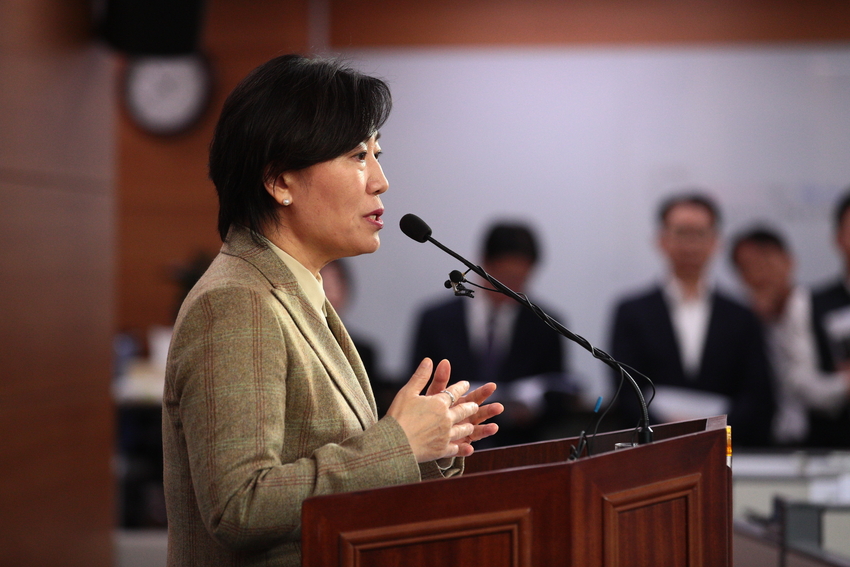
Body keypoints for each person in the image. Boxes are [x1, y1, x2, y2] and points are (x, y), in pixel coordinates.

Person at [161, 54, 504, 567]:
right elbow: (240, 506)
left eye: (377, 154)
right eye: (357, 155)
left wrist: (431, 446)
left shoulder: (296, 290)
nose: (381, 180)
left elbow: (331, 466)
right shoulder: (236, 301)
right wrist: (398, 444)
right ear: (279, 181)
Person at [608, 192, 774, 446]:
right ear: (662, 240)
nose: (690, 244)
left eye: (699, 234)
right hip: (650, 449)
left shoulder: (742, 316)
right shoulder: (631, 312)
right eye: (681, 233)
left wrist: (716, 431)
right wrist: (663, 430)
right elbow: (625, 391)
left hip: (723, 448)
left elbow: (757, 393)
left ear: (715, 242)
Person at [409, 222, 569, 447]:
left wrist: (533, 409)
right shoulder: (436, 320)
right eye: (504, 278)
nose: (510, 289)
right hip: (447, 442)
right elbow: (416, 386)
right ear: (483, 265)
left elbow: (557, 390)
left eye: (520, 280)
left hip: (518, 445)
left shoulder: (546, 323)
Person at [731, 226, 850, 445]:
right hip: (767, 444)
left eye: (766, 263)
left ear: (789, 261)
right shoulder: (743, 325)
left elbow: (806, 384)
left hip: (828, 441)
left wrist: (841, 385)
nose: (760, 275)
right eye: (747, 268)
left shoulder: (822, 309)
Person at [809, 188, 850, 447]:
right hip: (830, 447)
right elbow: (802, 385)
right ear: (838, 237)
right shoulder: (810, 303)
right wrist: (842, 384)